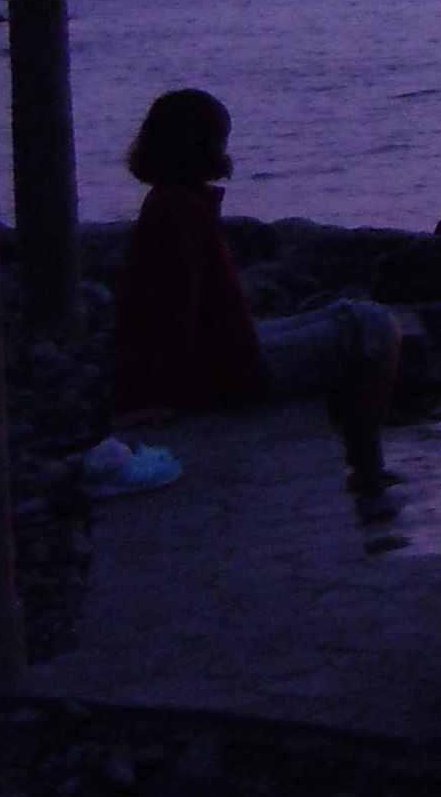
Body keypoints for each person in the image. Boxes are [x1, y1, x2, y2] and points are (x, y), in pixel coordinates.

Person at [106, 88, 405, 522]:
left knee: (348, 311)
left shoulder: (173, 202)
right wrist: (160, 396)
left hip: (221, 348)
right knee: (372, 325)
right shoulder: (178, 212)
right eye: (220, 140)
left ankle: (364, 461)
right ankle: (367, 468)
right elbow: (174, 313)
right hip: (226, 369)